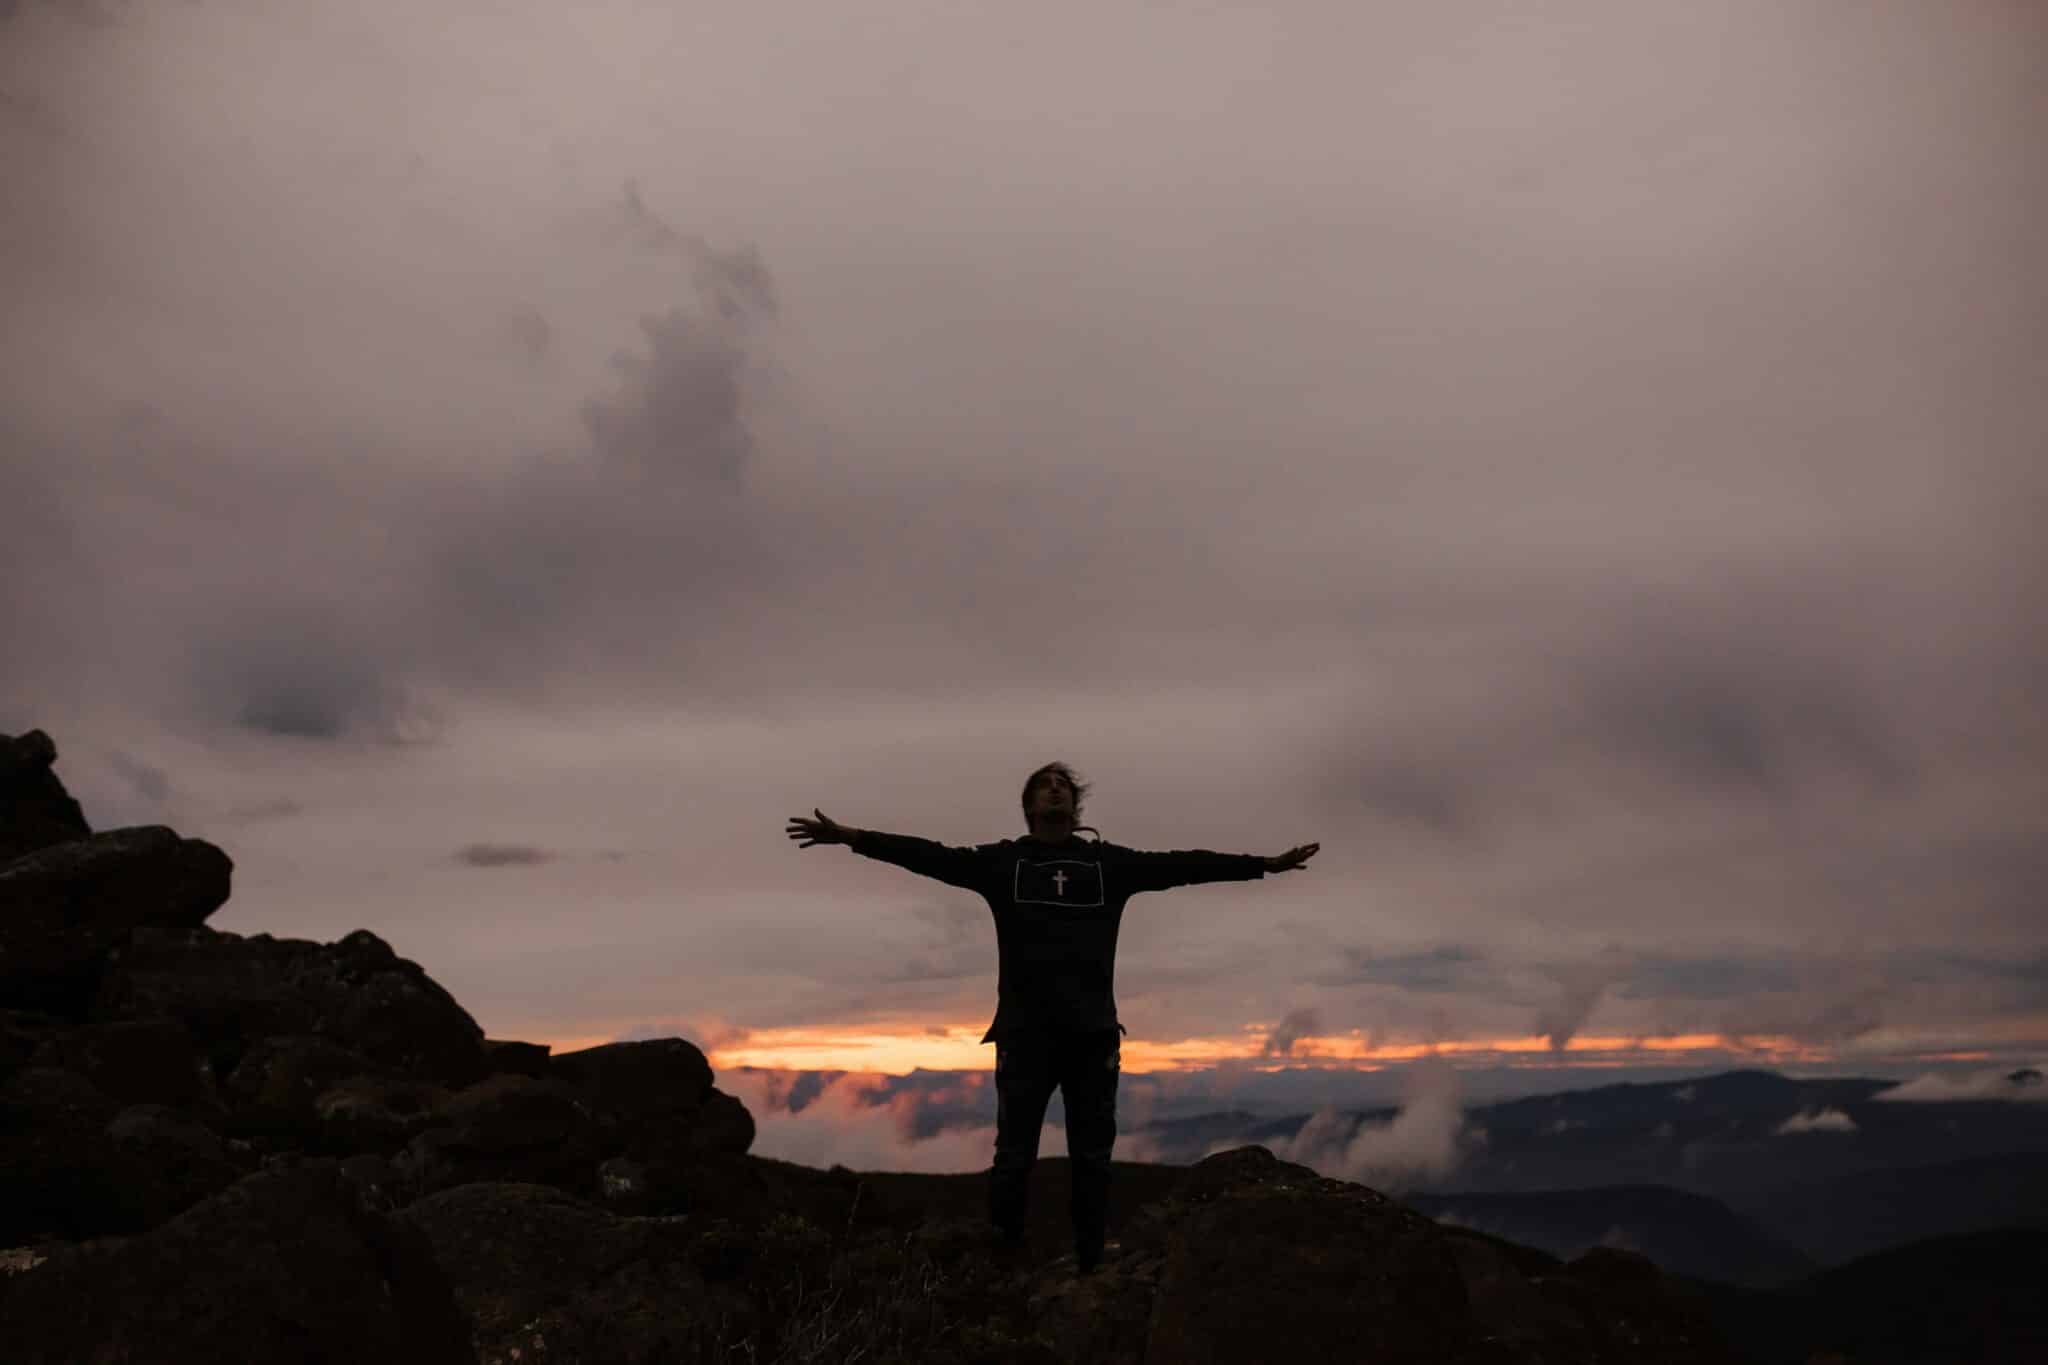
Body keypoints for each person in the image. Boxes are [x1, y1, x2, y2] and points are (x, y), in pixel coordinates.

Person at [785, 761, 1318, 1277]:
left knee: (1092, 1158)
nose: (1055, 791)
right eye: (1044, 786)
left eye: (1063, 785)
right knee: (1013, 1157)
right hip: (1024, 1035)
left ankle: (1090, 1265)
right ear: (1029, 806)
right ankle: (1002, 1267)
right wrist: (851, 836)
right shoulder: (1003, 864)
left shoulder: (1109, 865)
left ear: (1075, 803)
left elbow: (1184, 865)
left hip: (1092, 1037)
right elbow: (928, 856)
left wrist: (1262, 865)